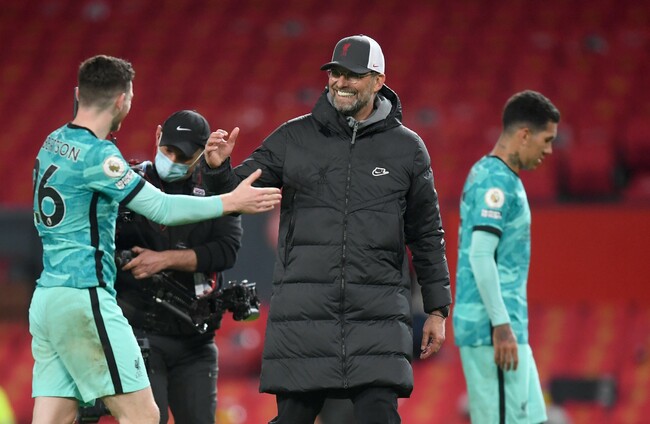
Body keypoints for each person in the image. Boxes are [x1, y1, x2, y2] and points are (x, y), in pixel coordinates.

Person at [200, 34, 451, 424]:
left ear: (378, 81)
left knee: (379, 418)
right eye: (335, 73)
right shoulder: (294, 137)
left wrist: (436, 309)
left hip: (377, 316)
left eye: (353, 74)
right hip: (305, 316)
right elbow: (237, 189)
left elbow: (427, 233)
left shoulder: (407, 149)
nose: (341, 82)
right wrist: (216, 169)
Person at [29, 55, 280, 424]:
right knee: (145, 416)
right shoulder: (100, 156)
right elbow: (161, 207)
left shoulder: (53, 141)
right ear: (122, 100)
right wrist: (230, 201)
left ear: (79, 93)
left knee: (54, 416)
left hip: (47, 298)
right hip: (85, 296)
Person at [114, 109, 243, 423]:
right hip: (139, 331)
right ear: (157, 135)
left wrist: (163, 260)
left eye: (183, 156)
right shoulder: (129, 185)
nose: (172, 159)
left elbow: (226, 251)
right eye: (168, 149)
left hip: (195, 339)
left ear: (200, 155)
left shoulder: (217, 189)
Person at [452, 90, 560, 423]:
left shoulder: (499, 177)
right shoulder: (495, 182)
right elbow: (481, 255)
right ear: (524, 134)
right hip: (492, 333)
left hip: (506, 328)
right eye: (546, 139)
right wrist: (500, 326)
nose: (549, 150)